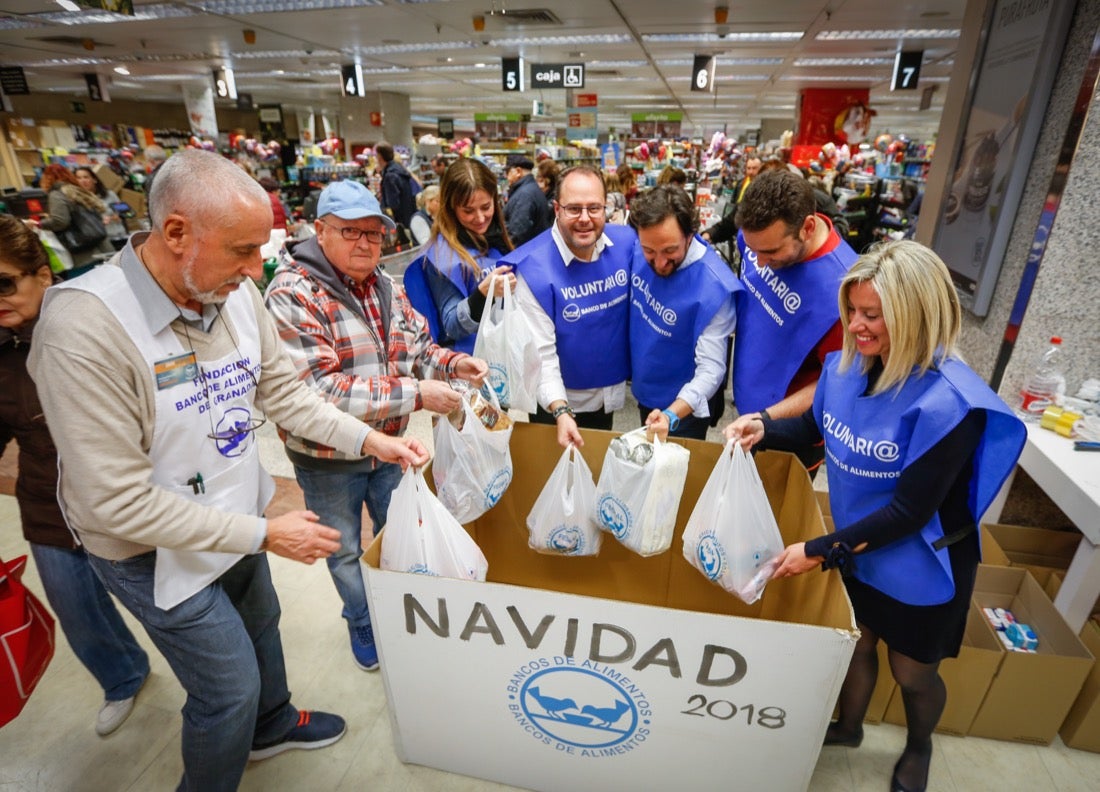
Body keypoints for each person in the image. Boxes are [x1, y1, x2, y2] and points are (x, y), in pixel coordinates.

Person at [27, 149, 429, 791]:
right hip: (146, 551)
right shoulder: (84, 327)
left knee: (262, 621)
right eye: (242, 250)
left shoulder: (235, 296)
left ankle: (270, 726)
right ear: (176, 231)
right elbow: (115, 503)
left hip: (233, 510)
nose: (256, 268)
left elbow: (290, 396)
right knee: (227, 688)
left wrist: (369, 441)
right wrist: (266, 535)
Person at [725, 240, 1025, 792]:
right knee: (858, 641)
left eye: (872, 315)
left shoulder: (950, 405)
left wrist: (816, 552)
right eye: (852, 313)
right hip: (855, 545)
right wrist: (764, 426)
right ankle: (849, 725)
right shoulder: (845, 369)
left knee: (913, 673)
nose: (856, 328)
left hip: (920, 561)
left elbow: (910, 512)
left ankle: (919, 744)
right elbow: (818, 427)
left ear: (916, 315)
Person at [264, 179, 486, 672]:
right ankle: (361, 618)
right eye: (351, 232)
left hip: (390, 448)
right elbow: (320, 390)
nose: (366, 244)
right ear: (320, 231)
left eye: (375, 234)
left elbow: (415, 350)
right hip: (325, 458)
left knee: (398, 531)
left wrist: (452, 366)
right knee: (344, 549)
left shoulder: (385, 285)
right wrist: (417, 393)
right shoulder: (292, 294)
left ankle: (400, 612)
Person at [0, 216, 150, 737]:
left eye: (5, 283)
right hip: (50, 504)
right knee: (77, 609)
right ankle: (123, 676)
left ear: (42, 274)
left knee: (170, 604)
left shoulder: (97, 319)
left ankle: (218, 686)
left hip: (126, 500)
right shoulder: (2, 354)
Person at [730, 169, 858, 475]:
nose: (759, 260)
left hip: (788, 433)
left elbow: (835, 380)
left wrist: (766, 419)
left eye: (771, 251)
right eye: (752, 249)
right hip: (746, 411)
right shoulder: (759, 237)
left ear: (807, 227)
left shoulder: (846, 295)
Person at [506, 165, 635, 447]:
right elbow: (541, 355)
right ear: (556, 209)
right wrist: (561, 411)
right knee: (553, 481)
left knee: (597, 475)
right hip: (555, 403)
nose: (585, 219)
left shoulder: (626, 244)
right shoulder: (533, 269)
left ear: (606, 207)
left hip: (606, 397)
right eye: (574, 209)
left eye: (594, 208)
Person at [627, 186, 740, 440]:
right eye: (649, 252)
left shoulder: (715, 288)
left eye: (670, 251)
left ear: (691, 235)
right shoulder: (641, 244)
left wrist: (671, 414)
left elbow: (711, 369)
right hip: (646, 388)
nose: (659, 263)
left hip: (684, 408)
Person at [406, 158, 514, 353]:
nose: (480, 218)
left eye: (486, 207)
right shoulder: (441, 256)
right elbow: (451, 325)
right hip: (471, 364)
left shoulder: (496, 238)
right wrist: (483, 295)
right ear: (451, 208)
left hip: (507, 352)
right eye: (468, 211)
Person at [32, 164, 115, 271]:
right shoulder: (75, 189)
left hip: (83, 252)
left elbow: (60, 221)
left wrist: (39, 224)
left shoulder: (56, 194)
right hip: (101, 245)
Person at [701, 154, 761, 245]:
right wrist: (711, 233)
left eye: (754, 168)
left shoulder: (762, 189)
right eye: (749, 168)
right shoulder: (741, 183)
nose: (751, 172)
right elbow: (734, 214)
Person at [503, 154, 551, 246]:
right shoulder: (530, 189)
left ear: (518, 171)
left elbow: (517, 233)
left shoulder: (524, 195)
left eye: (508, 172)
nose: (506, 177)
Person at [74, 165, 127, 243]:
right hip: (100, 241)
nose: (83, 181)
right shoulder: (77, 200)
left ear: (94, 180)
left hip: (119, 235)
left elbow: (124, 212)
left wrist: (117, 216)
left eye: (86, 177)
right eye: (79, 178)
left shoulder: (109, 194)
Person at [375, 141, 419, 228]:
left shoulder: (390, 176)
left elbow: (392, 204)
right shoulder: (401, 170)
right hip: (409, 216)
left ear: (380, 157)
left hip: (399, 222)